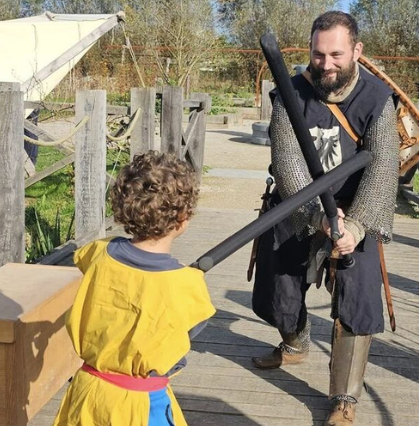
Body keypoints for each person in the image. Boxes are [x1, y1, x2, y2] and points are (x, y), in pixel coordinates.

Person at [251, 11, 399, 426]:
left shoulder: (376, 99)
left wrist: (354, 226)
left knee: (360, 294)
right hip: (299, 203)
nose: (327, 64)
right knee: (278, 284)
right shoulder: (290, 94)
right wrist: (316, 217)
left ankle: (344, 398)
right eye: (318, 55)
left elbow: (384, 168)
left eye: (336, 54)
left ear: (357, 51)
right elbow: (288, 165)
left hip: (357, 208)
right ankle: (295, 342)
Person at [52, 151, 215, 426]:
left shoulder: (99, 253)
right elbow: (188, 331)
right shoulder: (187, 284)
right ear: (184, 218)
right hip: (141, 404)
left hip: (88, 391)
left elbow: (84, 260)